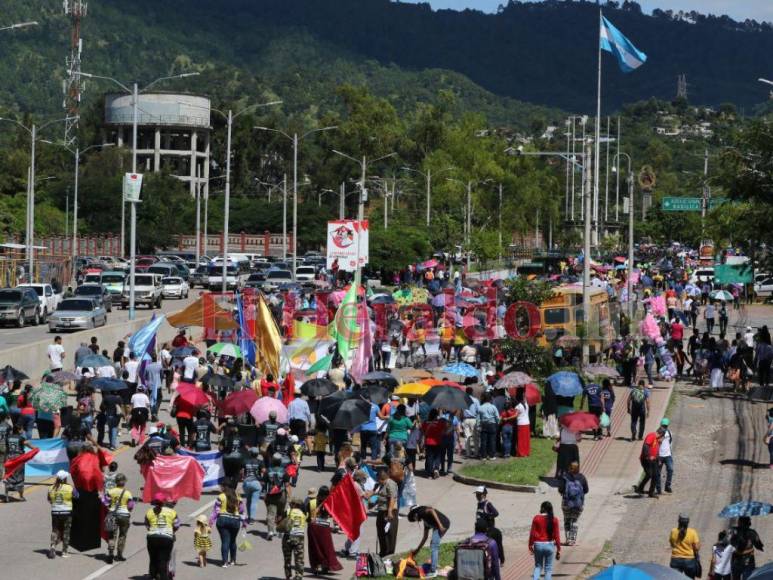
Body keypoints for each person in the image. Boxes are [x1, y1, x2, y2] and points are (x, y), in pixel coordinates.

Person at [306, 486, 342, 574]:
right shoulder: (327, 502)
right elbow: (331, 514)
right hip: (322, 527)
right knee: (324, 547)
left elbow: (306, 513)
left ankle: (318, 566)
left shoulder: (311, 501)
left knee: (317, 547)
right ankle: (322, 566)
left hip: (314, 527)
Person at [408, 505, 450, 578]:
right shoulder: (425, 521)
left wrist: (440, 525)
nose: (416, 520)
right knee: (433, 544)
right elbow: (425, 537)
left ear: (414, 514)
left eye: (414, 518)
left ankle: (433, 571)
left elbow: (431, 510)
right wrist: (417, 550)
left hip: (442, 524)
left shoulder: (421, 512)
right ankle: (434, 565)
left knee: (434, 546)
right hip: (440, 525)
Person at [209, 485, 246, 568]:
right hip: (235, 521)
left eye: (221, 486)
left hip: (222, 520)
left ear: (224, 487)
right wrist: (244, 523)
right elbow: (241, 511)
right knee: (233, 541)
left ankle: (225, 562)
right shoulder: (238, 497)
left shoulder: (221, 496)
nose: (220, 487)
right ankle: (233, 560)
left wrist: (211, 522)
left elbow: (216, 510)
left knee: (225, 541)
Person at [144, 493, 179, 580]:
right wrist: (172, 531)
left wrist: (153, 531)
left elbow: (147, 524)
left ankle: (152, 576)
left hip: (152, 537)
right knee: (163, 560)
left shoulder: (149, 512)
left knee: (153, 559)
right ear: (164, 501)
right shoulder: (172, 512)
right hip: (166, 538)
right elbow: (177, 525)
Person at [102, 473, 134, 563]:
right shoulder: (127, 493)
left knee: (112, 535)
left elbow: (105, 501)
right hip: (124, 515)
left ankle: (111, 553)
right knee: (122, 535)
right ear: (124, 482)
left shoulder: (111, 491)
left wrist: (110, 506)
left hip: (112, 514)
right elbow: (130, 506)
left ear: (116, 482)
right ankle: (119, 554)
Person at [47, 471, 77, 559]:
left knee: (55, 530)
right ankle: (64, 552)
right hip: (67, 512)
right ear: (65, 478)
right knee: (66, 532)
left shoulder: (51, 487)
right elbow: (76, 496)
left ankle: (53, 546)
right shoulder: (69, 487)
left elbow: (49, 499)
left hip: (55, 512)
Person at [558, 461, 588, 546]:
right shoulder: (582, 477)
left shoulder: (565, 477)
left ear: (569, 468)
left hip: (567, 503)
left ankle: (568, 540)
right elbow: (586, 490)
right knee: (575, 520)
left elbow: (560, 490)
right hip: (578, 503)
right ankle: (572, 540)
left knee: (567, 520)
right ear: (578, 468)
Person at [529, 501, 561, 580]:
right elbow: (557, 535)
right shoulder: (554, 519)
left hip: (538, 545)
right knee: (548, 568)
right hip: (549, 545)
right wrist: (559, 549)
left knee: (538, 566)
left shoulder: (536, 518)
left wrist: (530, 545)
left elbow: (532, 533)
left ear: (542, 508)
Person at [5, 421, 36, 501]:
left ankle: (7, 496)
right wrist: (36, 449)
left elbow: (6, 448)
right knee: (20, 476)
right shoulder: (21, 438)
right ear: (19, 430)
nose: (23, 431)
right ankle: (21, 496)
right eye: (22, 429)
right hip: (19, 458)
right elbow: (29, 444)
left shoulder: (8, 437)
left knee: (9, 475)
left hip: (9, 457)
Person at [474, 486, 504, 565]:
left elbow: (496, 513)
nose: (477, 496)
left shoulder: (487, 504)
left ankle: (501, 560)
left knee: (495, 545)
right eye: (476, 494)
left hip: (489, 530)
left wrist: (487, 516)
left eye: (479, 495)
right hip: (480, 530)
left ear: (484, 495)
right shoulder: (479, 504)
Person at [264, 454, 289, 540]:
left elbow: (264, 483)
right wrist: (288, 496)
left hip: (271, 494)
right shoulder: (284, 471)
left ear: (272, 461)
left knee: (271, 514)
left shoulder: (268, 470)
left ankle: (270, 531)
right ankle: (280, 532)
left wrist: (264, 494)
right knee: (281, 513)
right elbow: (287, 485)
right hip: (281, 494)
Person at [282, 495, 308, 580]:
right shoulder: (304, 513)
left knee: (287, 558)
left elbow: (280, 521)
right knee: (299, 559)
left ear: (293, 504)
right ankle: (299, 576)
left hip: (288, 537)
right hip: (299, 538)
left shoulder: (288, 511)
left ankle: (288, 575)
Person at [375, 468, 399, 558]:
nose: (377, 481)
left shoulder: (390, 483)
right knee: (381, 533)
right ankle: (383, 553)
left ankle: (388, 555)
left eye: (378, 479)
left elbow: (392, 497)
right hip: (381, 511)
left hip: (389, 512)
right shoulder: (382, 485)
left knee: (389, 535)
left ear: (381, 478)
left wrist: (389, 512)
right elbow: (381, 496)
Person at [669, 513, 701, 578]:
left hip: (675, 560)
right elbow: (696, 548)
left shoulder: (673, 531)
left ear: (678, 521)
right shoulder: (692, 532)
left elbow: (672, 545)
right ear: (688, 522)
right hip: (689, 560)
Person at [634, 428, 664, 498]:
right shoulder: (652, 436)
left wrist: (658, 459)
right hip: (646, 459)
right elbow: (645, 445)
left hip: (654, 460)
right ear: (661, 434)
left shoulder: (657, 440)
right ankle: (639, 488)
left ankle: (651, 492)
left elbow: (656, 451)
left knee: (656, 475)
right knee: (649, 474)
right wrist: (648, 456)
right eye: (662, 437)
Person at [242, 447, 264, 524]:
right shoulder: (260, 462)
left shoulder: (245, 461)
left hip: (247, 482)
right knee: (254, 501)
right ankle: (252, 518)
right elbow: (264, 471)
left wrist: (243, 478)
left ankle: (248, 516)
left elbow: (242, 472)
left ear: (250, 453)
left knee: (248, 500)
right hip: (256, 483)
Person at [477, 393, 500, 461]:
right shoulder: (493, 407)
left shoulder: (480, 407)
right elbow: (497, 417)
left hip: (484, 425)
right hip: (492, 424)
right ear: (490, 399)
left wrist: (478, 426)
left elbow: (478, 419)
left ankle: (483, 456)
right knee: (492, 441)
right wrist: (497, 424)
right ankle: (491, 456)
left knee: (483, 441)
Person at [462, 387, 480, 458]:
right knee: (475, 437)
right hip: (473, 419)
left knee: (467, 436)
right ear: (472, 392)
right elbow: (478, 410)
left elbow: (461, 410)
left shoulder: (463, 400)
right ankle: (476, 453)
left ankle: (468, 453)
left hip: (465, 419)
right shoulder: (476, 400)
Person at [657, 418, 674, 494]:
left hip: (668, 455)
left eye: (666, 426)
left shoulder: (669, 432)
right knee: (658, 472)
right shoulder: (658, 433)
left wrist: (670, 452)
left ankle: (667, 486)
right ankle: (658, 489)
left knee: (670, 469)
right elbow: (657, 443)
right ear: (661, 425)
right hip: (659, 456)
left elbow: (670, 442)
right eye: (663, 426)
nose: (665, 427)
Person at [514, 389, 531, 457]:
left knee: (521, 439)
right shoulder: (526, 404)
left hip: (521, 424)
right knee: (526, 439)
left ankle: (521, 452)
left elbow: (516, 415)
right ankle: (526, 452)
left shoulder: (518, 406)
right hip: (527, 423)